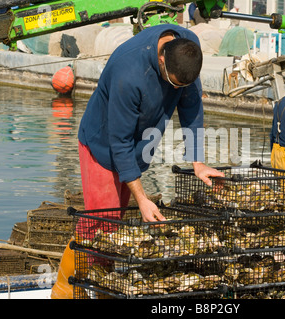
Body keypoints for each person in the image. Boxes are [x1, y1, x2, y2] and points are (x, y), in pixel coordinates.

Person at [51, 23, 224, 299]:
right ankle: (63, 292)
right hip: (103, 146)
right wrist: (142, 199)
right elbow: (118, 143)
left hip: (139, 142)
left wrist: (198, 161)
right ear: (161, 59)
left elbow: (191, 106)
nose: (178, 89)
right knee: (101, 227)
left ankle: (103, 290)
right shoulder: (128, 71)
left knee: (113, 227)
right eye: (174, 83)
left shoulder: (186, 46)